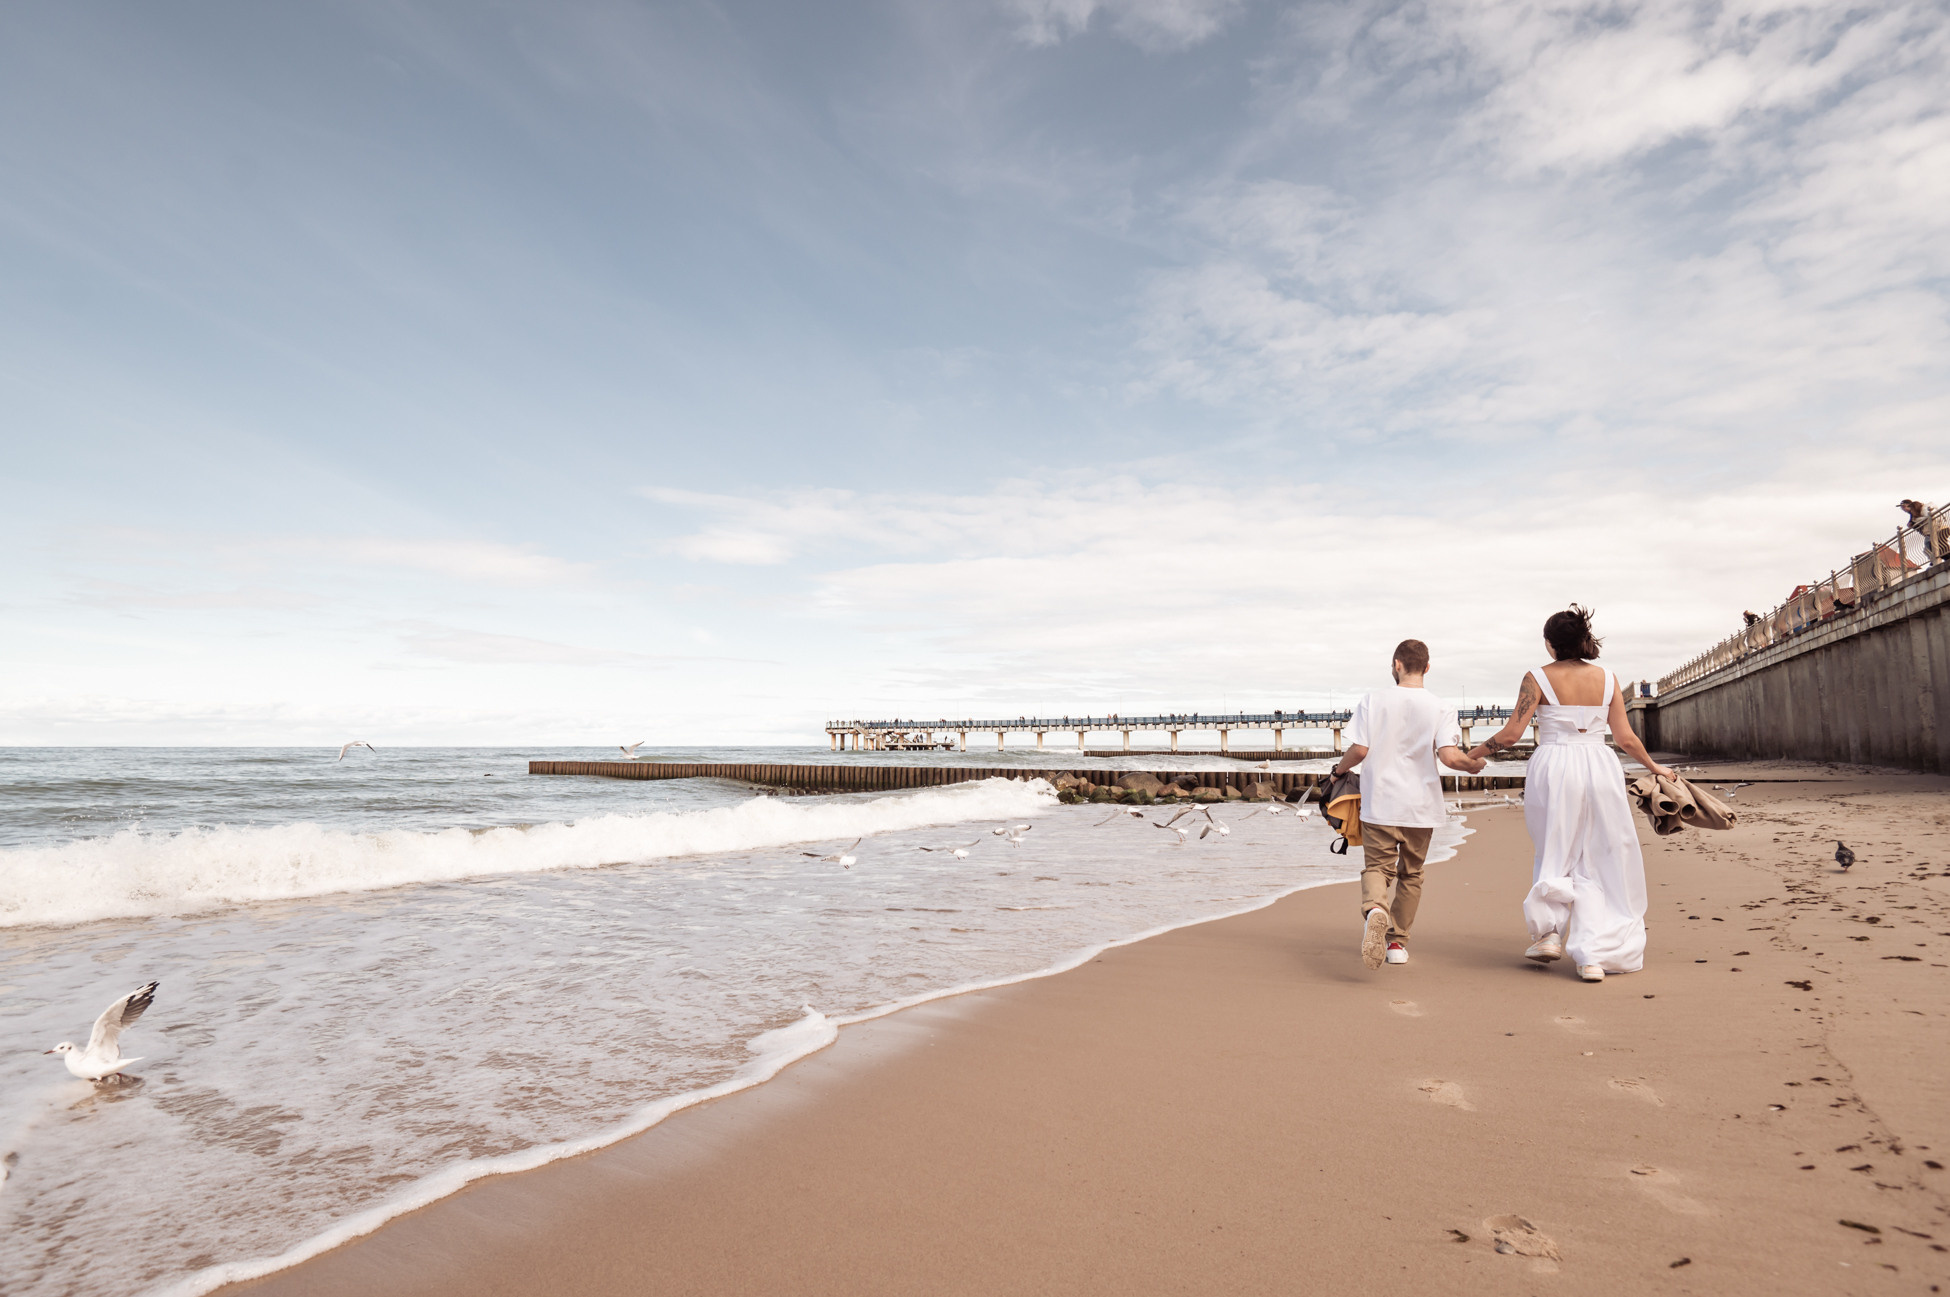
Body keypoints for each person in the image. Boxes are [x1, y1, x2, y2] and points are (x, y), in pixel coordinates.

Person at [1467, 606, 1675, 983]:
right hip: (1600, 765)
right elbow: (1625, 738)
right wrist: (1655, 768)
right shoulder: (1608, 678)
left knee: (1555, 849)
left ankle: (1548, 933)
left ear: (1550, 644)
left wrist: (1473, 755)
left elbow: (1512, 735)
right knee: (1601, 856)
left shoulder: (1536, 678)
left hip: (1554, 766)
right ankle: (1593, 956)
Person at [1330, 639, 1485, 969]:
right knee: (1411, 873)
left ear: (1396, 664)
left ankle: (1375, 910)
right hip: (1421, 806)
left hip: (1380, 802)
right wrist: (1470, 765)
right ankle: (1397, 943)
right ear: (1427, 668)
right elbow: (1448, 756)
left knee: (1378, 869)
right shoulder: (1441, 707)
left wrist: (1337, 773)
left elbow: (1359, 750)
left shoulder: (1373, 700)